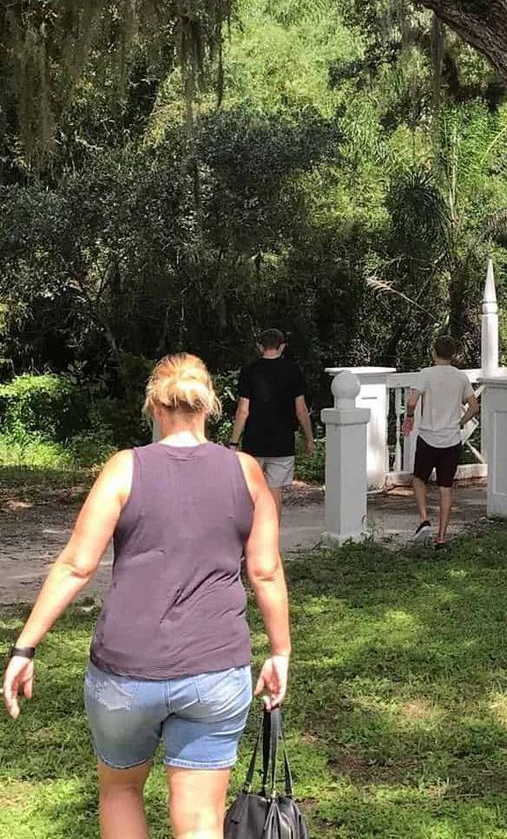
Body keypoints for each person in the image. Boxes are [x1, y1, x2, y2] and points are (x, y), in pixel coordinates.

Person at [2, 353, 291, 839]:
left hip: (125, 673)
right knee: (201, 821)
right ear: (209, 405)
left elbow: (76, 565)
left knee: (120, 792)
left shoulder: (124, 468)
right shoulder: (245, 472)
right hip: (216, 672)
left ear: (153, 407)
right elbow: (265, 572)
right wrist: (280, 652)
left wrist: (24, 648)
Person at [229, 328, 314, 524]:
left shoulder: (249, 370)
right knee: (275, 490)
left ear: (260, 346)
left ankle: (252, 533)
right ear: (282, 346)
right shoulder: (293, 370)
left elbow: (243, 410)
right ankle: (271, 536)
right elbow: (301, 409)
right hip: (283, 441)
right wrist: (309, 438)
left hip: (254, 440)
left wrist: (233, 442)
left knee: (253, 490)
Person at [401, 335, 479, 548]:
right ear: (453, 355)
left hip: (428, 437)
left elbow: (412, 401)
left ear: (434, 352)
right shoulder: (460, 377)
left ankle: (424, 519)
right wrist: (460, 421)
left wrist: (409, 417)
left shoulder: (426, 374)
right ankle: (442, 537)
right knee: (446, 488)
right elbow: (474, 406)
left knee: (418, 478)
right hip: (451, 440)